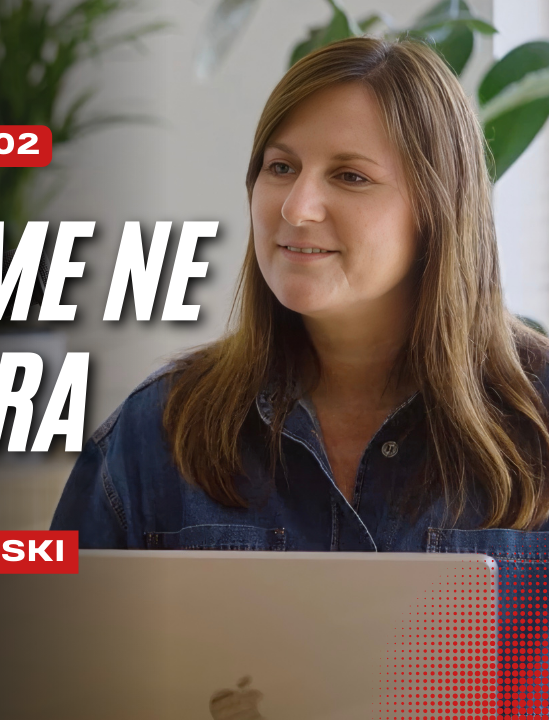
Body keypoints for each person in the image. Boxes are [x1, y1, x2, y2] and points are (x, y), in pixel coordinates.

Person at [52, 37, 549, 558]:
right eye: (281, 167)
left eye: (350, 176)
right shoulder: (156, 432)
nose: (296, 207)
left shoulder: (536, 418)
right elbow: (51, 635)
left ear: (437, 209)